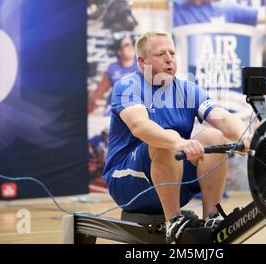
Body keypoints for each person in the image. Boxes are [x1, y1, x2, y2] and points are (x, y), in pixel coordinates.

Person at [102, 31, 251, 243]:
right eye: (160, 54)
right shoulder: (127, 87)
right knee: (166, 138)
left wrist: (245, 136)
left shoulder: (187, 89)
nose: (169, 58)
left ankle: (211, 217)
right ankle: (174, 222)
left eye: (172, 52)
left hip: (173, 178)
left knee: (214, 136)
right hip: (128, 182)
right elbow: (139, 126)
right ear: (141, 61)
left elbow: (223, 118)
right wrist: (179, 142)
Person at [88, 34, 138, 115]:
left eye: (132, 43)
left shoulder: (143, 65)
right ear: (119, 51)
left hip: (136, 109)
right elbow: (99, 92)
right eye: (126, 45)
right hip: (115, 110)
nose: (131, 47)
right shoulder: (113, 68)